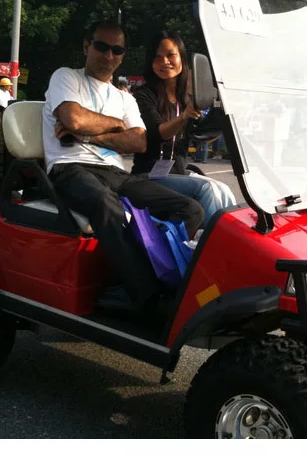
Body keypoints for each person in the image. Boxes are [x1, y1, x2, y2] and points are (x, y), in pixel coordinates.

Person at [46, 19, 204, 318]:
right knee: (107, 204)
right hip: (70, 167)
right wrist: (118, 125)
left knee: (191, 209)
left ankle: (159, 276)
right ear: (86, 46)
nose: (109, 55)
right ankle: (148, 298)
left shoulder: (124, 97)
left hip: (115, 172)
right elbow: (73, 118)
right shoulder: (66, 77)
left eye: (117, 50)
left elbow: (139, 141)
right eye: (102, 46)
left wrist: (90, 134)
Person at [131, 30, 236, 225]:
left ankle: (227, 238)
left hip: (178, 172)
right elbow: (159, 133)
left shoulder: (186, 97)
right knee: (207, 189)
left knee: (223, 189)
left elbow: (199, 134)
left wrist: (223, 118)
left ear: (182, 58)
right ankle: (203, 241)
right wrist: (184, 117)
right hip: (149, 174)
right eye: (157, 57)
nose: (165, 62)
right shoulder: (143, 95)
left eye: (170, 55)